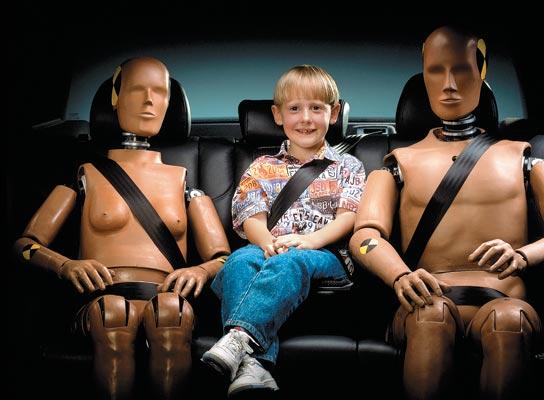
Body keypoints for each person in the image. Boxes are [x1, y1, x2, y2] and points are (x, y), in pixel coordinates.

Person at [349, 26, 544, 400]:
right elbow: (365, 238)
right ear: (423, 77)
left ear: (481, 72)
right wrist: (399, 275)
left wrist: (524, 255)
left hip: (504, 298)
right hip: (425, 299)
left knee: (508, 321)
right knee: (431, 315)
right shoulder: (397, 163)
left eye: (461, 70)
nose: (449, 84)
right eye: (435, 71)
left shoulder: (526, 158)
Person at [14, 57, 231, 400]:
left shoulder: (184, 182)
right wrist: (65, 265)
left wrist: (201, 271)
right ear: (115, 97)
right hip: (101, 297)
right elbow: (25, 245)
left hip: (165, 296)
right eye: (137, 89)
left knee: (171, 312)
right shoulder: (85, 175)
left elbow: (223, 258)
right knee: (113, 313)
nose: (149, 100)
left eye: (159, 92)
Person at [201, 65, 365, 396]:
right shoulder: (262, 166)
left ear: (333, 113)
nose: (305, 118)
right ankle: (253, 367)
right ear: (277, 115)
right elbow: (252, 218)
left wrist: (309, 241)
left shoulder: (349, 166)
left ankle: (238, 338)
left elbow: (348, 217)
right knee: (239, 260)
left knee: (291, 259)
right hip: (269, 247)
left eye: (316, 108)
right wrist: (268, 243)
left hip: (325, 254)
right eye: (294, 108)